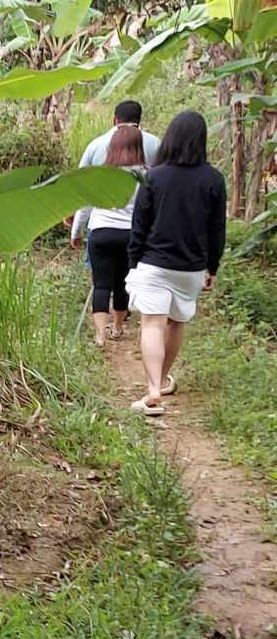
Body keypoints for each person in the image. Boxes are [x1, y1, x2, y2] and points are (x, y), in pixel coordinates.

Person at [124, 110, 227, 416]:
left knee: (152, 323)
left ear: (169, 138)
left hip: (154, 263)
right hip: (191, 267)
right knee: (176, 322)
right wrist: (213, 266)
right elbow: (216, 228)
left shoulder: (153, 176)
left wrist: (133, 261)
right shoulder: (214, 179)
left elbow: (139, 224)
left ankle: (154, 388)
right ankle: (162, 380)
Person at [76, 123, 148, 346]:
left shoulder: (100, 174)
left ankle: (99, 334)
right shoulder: (146, 175)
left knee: (101, 284)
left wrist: (76, 231)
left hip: (101, 232)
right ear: (139, 146)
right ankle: (117, 327)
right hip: (131, 235)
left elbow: (85, 206)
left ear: (112, 147)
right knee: (122, 283)